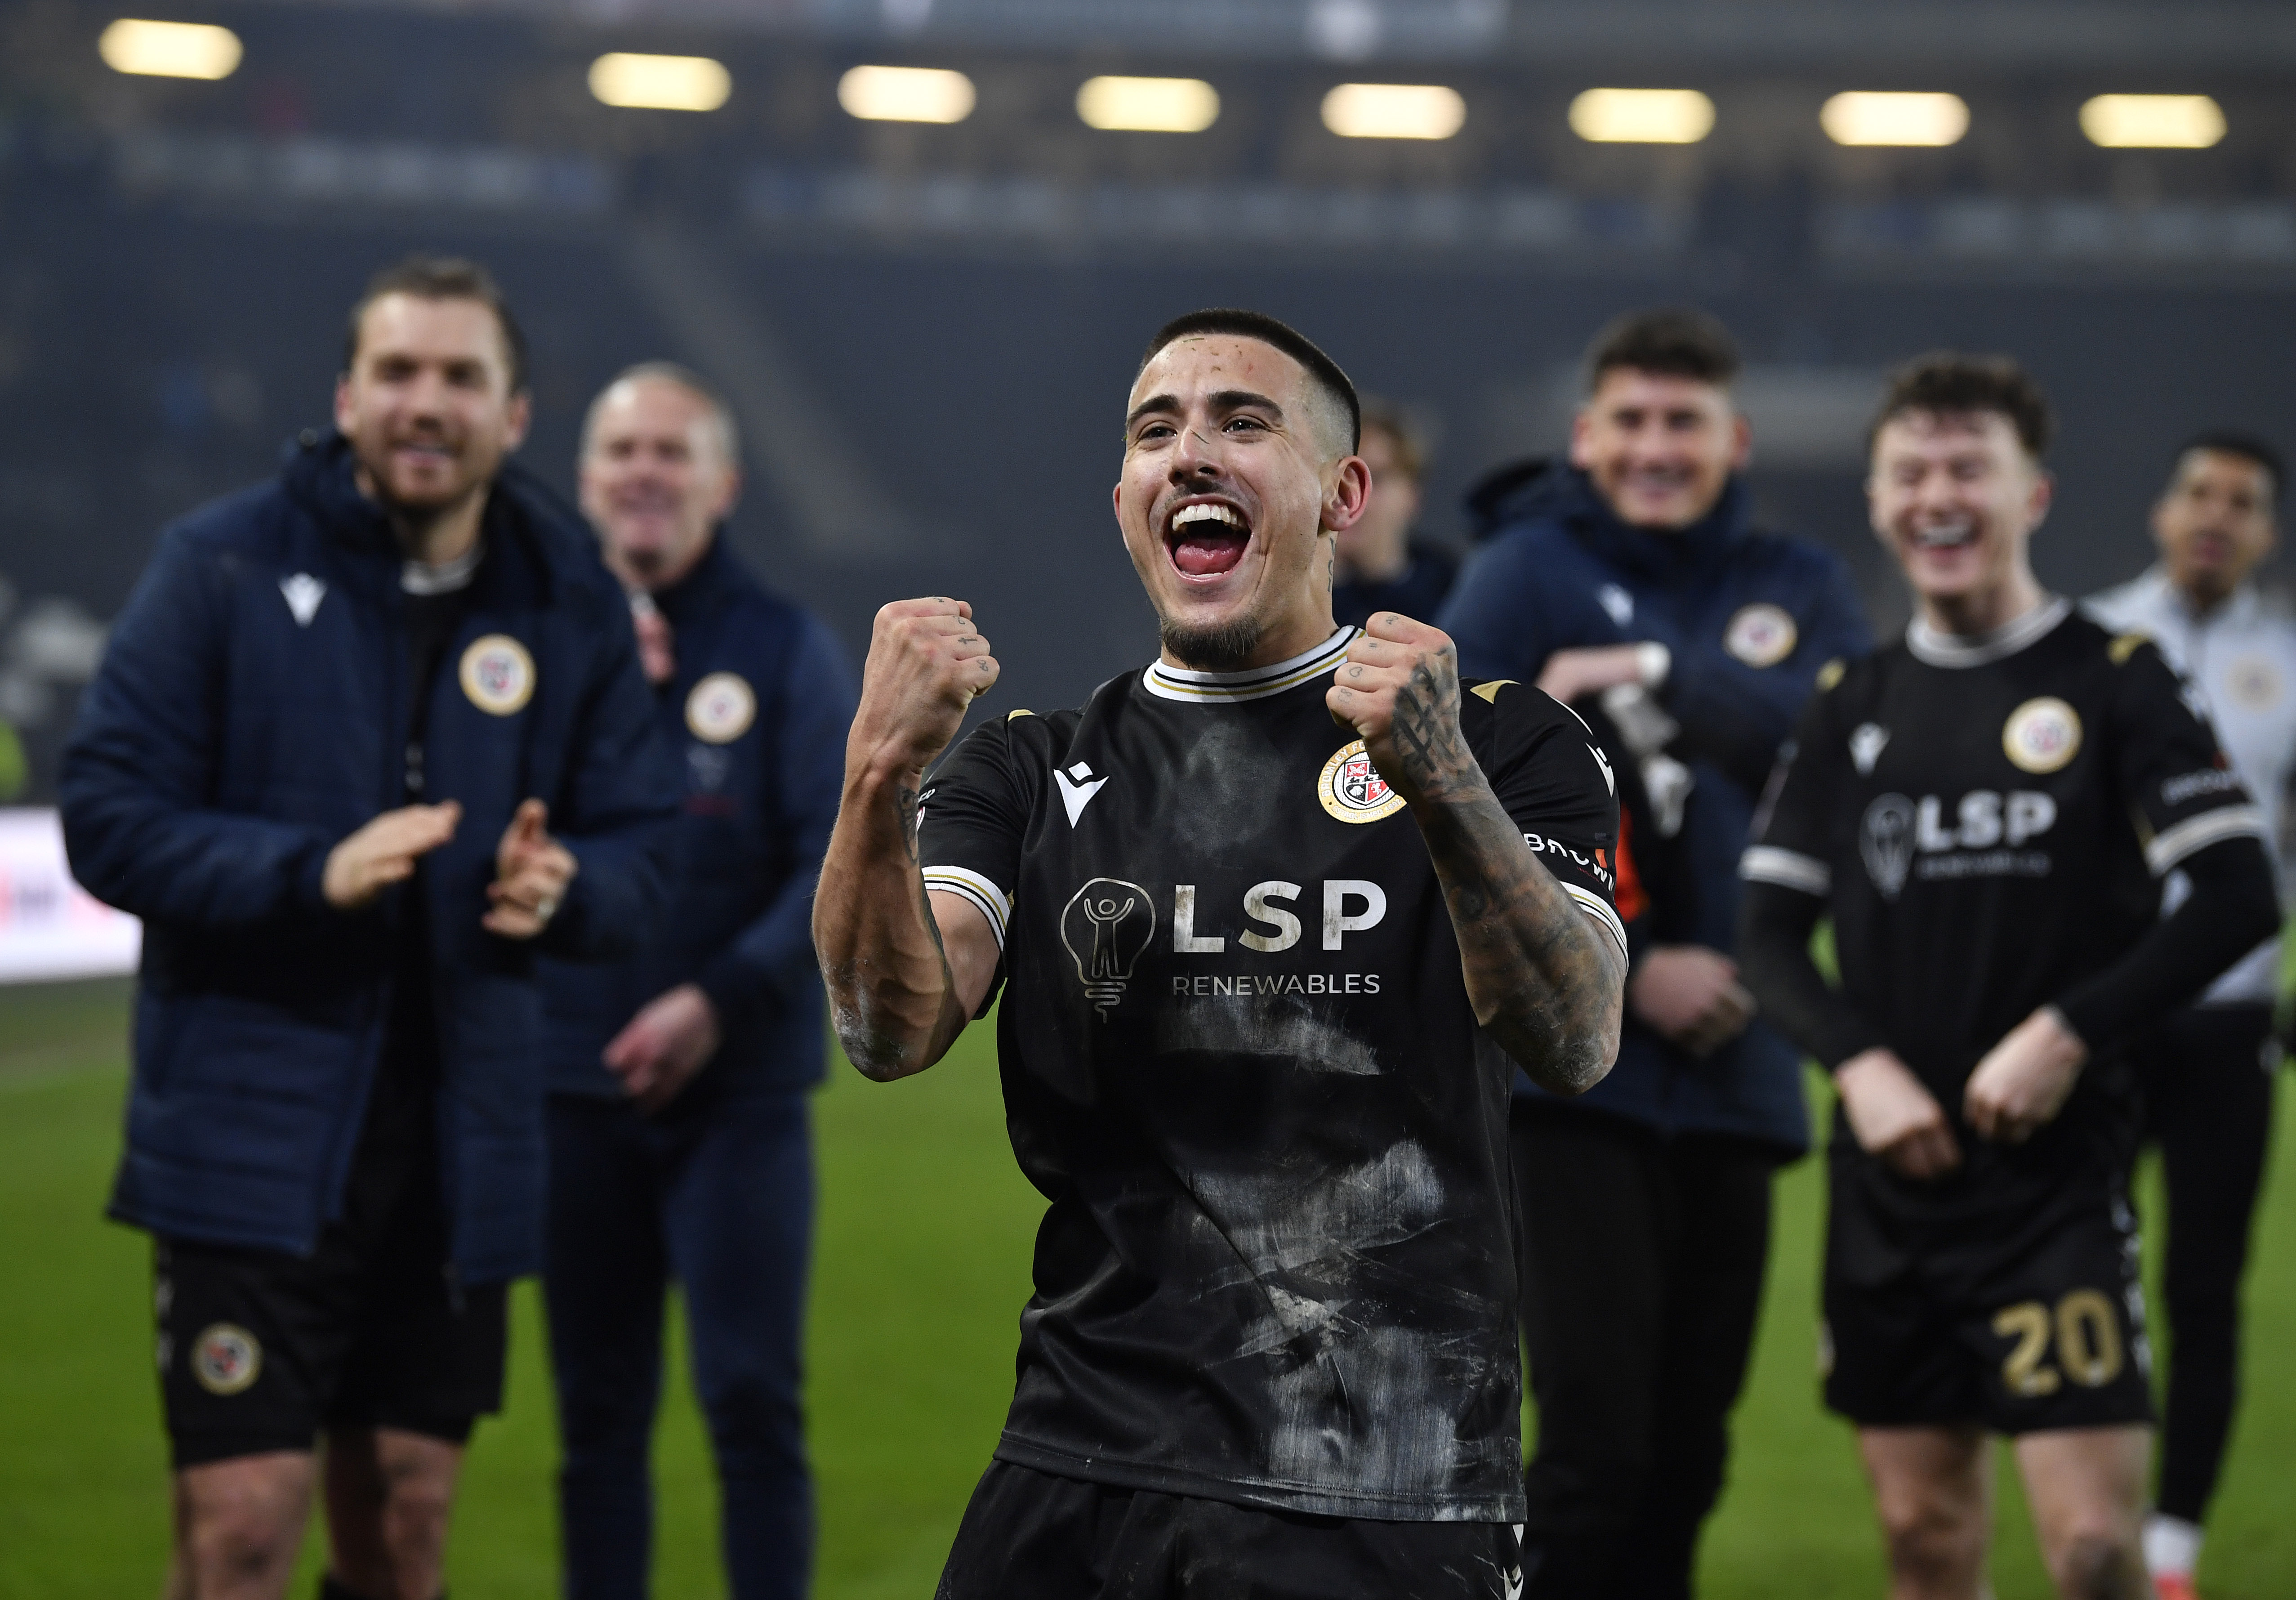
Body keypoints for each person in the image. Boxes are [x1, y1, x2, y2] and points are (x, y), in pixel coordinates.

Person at [813, 308, 1629, 1598]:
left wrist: (1446, 787)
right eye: (1156, 431)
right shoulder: (1032, 765)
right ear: (1128, 497)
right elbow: (889, 1025)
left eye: (1242, 422)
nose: (1190, 451)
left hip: (1386, 1481)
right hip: (1078, 1463)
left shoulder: (1505, 740)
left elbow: (1575, 1033)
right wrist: (875, 769)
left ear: (1340, 492)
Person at [59, 256, 676, 1600]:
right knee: (238, 1531)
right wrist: (307, 870)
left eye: (463, 376)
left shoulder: (567, 596)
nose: (425, 401)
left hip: (457, 1152)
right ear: (346, 394)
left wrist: (568, 888)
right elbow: (105, 812)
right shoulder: (220, 563)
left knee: (403, 1532)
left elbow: (650, 853)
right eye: (397, 371)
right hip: (252, 1133)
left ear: (517, 416)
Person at [1737, 354, 2279, 1600]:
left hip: (2055, 1183)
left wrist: (2067, 1033)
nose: (1938, 494)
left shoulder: (2118, 675)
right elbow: (1763, 932)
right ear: (1877, 499)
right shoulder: (1850, 701)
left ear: (2028, 493)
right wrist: (1858, 1065)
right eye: (1911, 471)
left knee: (2093, 1549)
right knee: (1925, 1540)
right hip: (1891, 1185)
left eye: (1966, 468)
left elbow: (2240, 892)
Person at [1436, 305, 1871, 1596]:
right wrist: (1632, 954)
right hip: (1577, 1081)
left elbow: (1852, 752)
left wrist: (1661, 669)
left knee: (1690, 1458)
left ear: (1733, 439)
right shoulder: (1519, 575)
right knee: (1591, 1458)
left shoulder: (1799, 585)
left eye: (1682, 421)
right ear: (1585, 434)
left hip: (1738, 1076)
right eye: (1628, 419)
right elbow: (1438, 790)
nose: (1655, 446)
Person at [540, 364, 854, 1600]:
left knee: (751, 1403)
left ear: (722, 483)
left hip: (741, 1095)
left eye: (673, 451)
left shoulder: (783, 648)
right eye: (622, 449)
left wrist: (712, 999)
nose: (645, 471)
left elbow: (830, 854)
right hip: (572, 1083)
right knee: (595, 1421)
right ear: (585, 481)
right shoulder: (530, 657)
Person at [2082, 432, 2292, 1600]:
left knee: (2204, 1286)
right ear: (2165, 509)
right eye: (2199, 493)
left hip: (2228, 1020)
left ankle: (2171, 1552)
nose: (2215, 516)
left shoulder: (2289, 660)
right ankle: (2094, 1511)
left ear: (2264, 531)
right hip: (2110, 1012)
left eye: (2242, 503)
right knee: (2084, 1272)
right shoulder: (2096, 637)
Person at [1330, 400, 1456, 629]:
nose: (1348, 497)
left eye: (1373, 478)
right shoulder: (1288, 601)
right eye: (1338, 479)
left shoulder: (1457, 596)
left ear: (1412, 497)